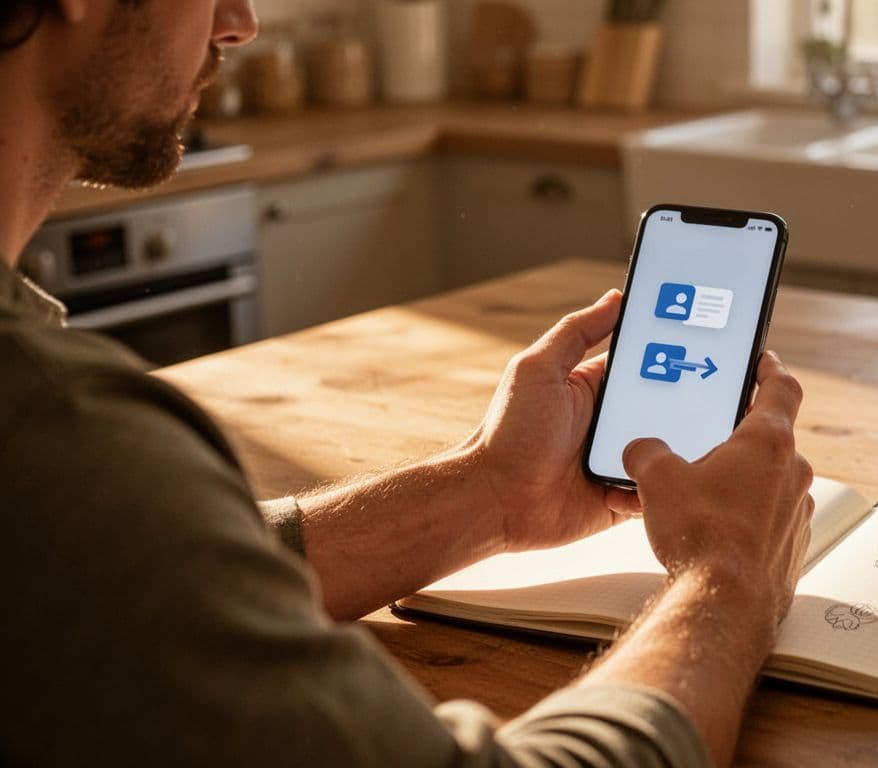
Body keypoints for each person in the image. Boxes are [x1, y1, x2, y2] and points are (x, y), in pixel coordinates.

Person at [0, 1, 815, 766]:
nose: (238, 23)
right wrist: (728, 580)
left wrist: (491, 493)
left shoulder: (65, 477)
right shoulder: (52, 435)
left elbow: (148, 577)